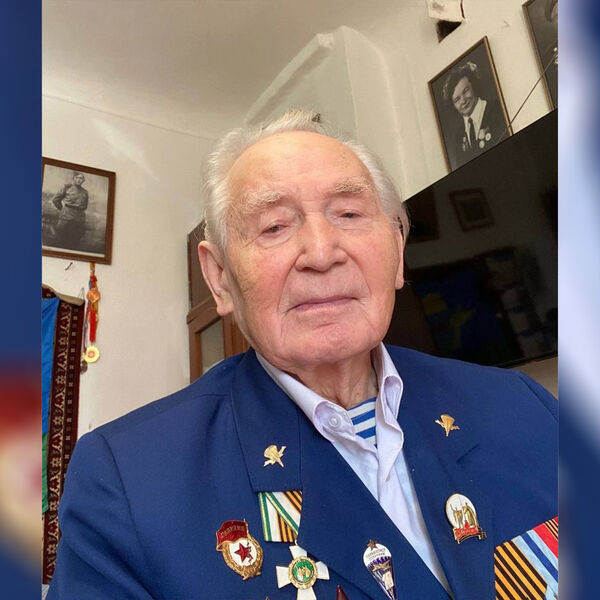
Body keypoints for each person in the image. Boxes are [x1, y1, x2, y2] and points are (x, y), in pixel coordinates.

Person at [48, 111, 557, 599]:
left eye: (350, 214)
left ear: (398, 252)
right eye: (274, 226)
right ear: (220, 278)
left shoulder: (523, 404)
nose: (321, 252)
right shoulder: (128, 481)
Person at [442, 62, 509, 170]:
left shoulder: (498, 109)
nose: (463, 101)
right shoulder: (458, 138)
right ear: (453, 105)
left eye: (465, 91)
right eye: (457, 99)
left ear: (474, 86)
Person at [51, 171, 89, 250]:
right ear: (73, 178)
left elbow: (85, 206)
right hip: (66, 216)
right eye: (77, 178)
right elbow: (55, 200)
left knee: (76, 239)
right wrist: (62, 209)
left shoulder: (85, 192)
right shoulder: (66, 188)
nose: (79, 180)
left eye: (81, 178)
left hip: (79, 218)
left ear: (83, 180)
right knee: (60, 237)